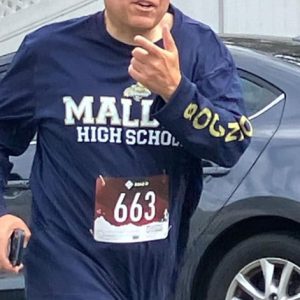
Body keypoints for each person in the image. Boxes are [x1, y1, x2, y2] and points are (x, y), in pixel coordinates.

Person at [0, 0, 252, 299]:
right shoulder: (51, 51)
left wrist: (175, 92)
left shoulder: (201, 49)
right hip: (68, 263)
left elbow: (231, 144)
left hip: (154, 270)